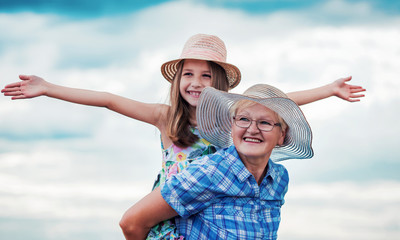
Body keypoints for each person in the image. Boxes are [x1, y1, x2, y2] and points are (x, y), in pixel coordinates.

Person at [1, 34, 365, 239]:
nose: (195, 83)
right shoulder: (166, 118)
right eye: (188, 74)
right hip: (172, 213)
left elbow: (279, 105)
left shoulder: (232, 121)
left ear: (219, 84)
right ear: (177, 80)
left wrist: (328, 90)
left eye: (206, 76)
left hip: (212, 214)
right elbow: (110, 101)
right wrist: (48, 88)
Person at [119, 83, 313, 240]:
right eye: (244, 119)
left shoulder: (279, 178)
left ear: (282, 135)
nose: (252, 129)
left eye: (264, 122)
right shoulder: (209, 172)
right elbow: (132, 222)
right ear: (232, 126)